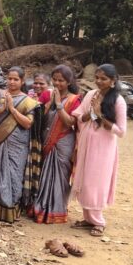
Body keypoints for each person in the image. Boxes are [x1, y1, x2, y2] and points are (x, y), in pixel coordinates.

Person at [71, 63, 127, 236]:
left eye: (104, 78)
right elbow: (80, 117)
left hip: (103, 148)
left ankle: (99, 221)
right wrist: (91, 114)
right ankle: (88, 218)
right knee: (85, 179)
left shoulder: (118, 101)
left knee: (96, 182)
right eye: (97, 78)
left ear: (113, 80)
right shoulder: (90, 95)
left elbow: (121, 131)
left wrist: (100, 115)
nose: (99, 81)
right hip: (86, 143)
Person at [0, 66, 38, 223]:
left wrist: (12, 109)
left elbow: (28, 123)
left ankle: (11, 210)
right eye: (10, 78)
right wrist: (2, 108)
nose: (12, 82)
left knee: (14, 176)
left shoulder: (28, 101)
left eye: (16, 79)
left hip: (17, 145)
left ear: (22, 81)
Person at [25, 65, 81, 224]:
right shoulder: (46, 94)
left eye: (61, 80)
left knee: (59, 177)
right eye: (55, 79)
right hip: (45, 140)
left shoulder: (75, 99)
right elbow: (38, 117)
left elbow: (70, 122)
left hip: (63, 142)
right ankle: (40, 208)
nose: (57, 83)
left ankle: (56, 211)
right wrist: (50, 102)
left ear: (69, 82)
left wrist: (59, 104)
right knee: (43, 175)